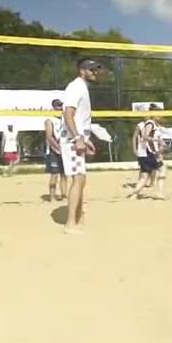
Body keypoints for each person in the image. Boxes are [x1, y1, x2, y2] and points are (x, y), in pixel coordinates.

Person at [59, 57, 106, 234]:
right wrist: (78, 138)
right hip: (71, 140)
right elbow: (68, 114)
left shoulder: (82, 88)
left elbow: (79, 118)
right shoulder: (75, 87)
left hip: (77, 138)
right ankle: (70, 223)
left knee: (81, 179)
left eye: (96, 69)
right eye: (91, 69)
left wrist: (85, 140)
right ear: (82, 70)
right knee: (78, 178)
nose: (94, 72)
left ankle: (77, 218)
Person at [127, 106, 167, 199]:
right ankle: (159, 192)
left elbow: (151, 138)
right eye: (159, 114)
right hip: (149, 153)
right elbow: (145, 137)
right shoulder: (150, 123)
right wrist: (158, 141)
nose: (161, 116)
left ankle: (134, 195)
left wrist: (160, 143)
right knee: (162, 170)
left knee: (144, 176)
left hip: (146, 153)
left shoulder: (154, 124)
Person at [43, 99, 66, 200]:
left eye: (61, 105)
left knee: (64, 174)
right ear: (53, 107)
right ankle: (52, 197)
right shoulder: (49, 120)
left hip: (64, 150)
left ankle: (64, 196)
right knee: (54, 174)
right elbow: (49, 136)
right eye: (57, 106)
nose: (60, 108)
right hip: (53, 151)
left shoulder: (65, 119)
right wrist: (58, 147)